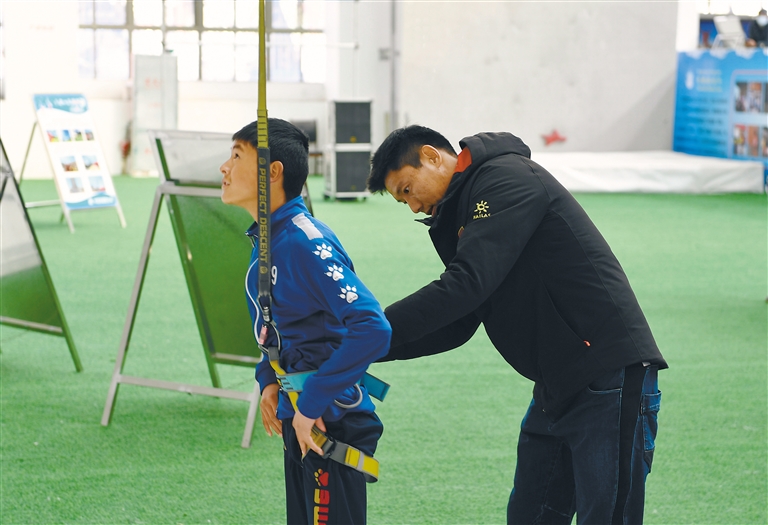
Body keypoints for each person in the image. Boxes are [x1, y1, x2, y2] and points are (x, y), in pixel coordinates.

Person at [366, 125, 667, 524]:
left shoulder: (505, 178)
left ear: (432, 156)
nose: (413, 207)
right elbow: (459, 319)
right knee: (530, 514)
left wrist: (361, 335)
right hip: (557, 384)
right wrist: (366, 349)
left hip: (607, 374)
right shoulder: (459, 209)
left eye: (407, 190)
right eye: (402, 200)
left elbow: (466, 286)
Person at [221, 118, 391, 525]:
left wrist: (311, 401)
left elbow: (372, 327)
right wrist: (269, 378)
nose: (225, 168)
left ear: (272, 172)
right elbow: (279, 322)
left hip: (329, 420)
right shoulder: (268, 237)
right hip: (299, 412)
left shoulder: (304, 242)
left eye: (237, 156)